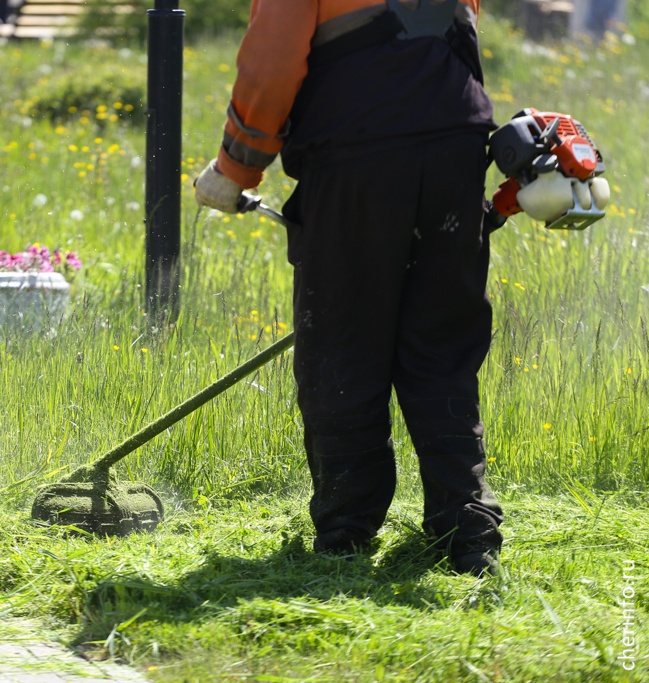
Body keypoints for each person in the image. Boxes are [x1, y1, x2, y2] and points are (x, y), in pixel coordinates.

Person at [195, 0, 504, 576]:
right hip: (456, 143)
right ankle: (468, 536)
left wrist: (235, 169)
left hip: (357, 151)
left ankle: (346, 532)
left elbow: (272, 64)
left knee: (343, 340)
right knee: (442, 345)